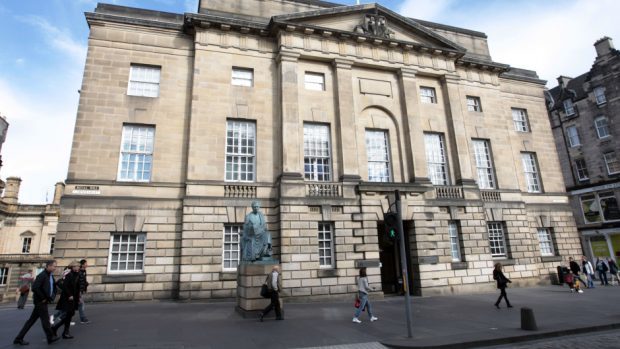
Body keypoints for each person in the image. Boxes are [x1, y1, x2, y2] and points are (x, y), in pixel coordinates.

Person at [13, 260, 60, 345]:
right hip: (40, 302)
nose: (55, 268)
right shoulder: (42, 275)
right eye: (54, 266)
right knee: (45, 320)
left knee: (31, 321)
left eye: (55, 266)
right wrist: (43, 298)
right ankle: (50, 337)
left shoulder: (50, 276)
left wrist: (51, 297)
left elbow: (53, 287)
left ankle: (18, 338)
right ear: (48, 266)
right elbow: (35, 287)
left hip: (43, 301)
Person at [51, 261, 80, 339]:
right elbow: (65, 286)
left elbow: (77, 287)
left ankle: (57, 329)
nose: (78, 268)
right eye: (76, 266)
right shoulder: (69, 275)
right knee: (69, 314)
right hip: (68, 298)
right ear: (72, 267)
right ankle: (64, 332)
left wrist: (79, 297)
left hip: (74, 297)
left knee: (70, 314)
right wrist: (70, 295)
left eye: (78, 266)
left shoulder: (77, 274)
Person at [78, 259, 90, 324]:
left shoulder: (83, 271)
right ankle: (83, 318)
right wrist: (79, 291)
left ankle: (58, 316)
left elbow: (83, 281)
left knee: (78, 305)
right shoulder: (79, 272)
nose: (87, 265)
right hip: (78, 291)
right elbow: (79, 282)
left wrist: (86, 284)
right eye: (86, 263)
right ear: (82, 265)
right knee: (81, 304)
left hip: (80, 290)